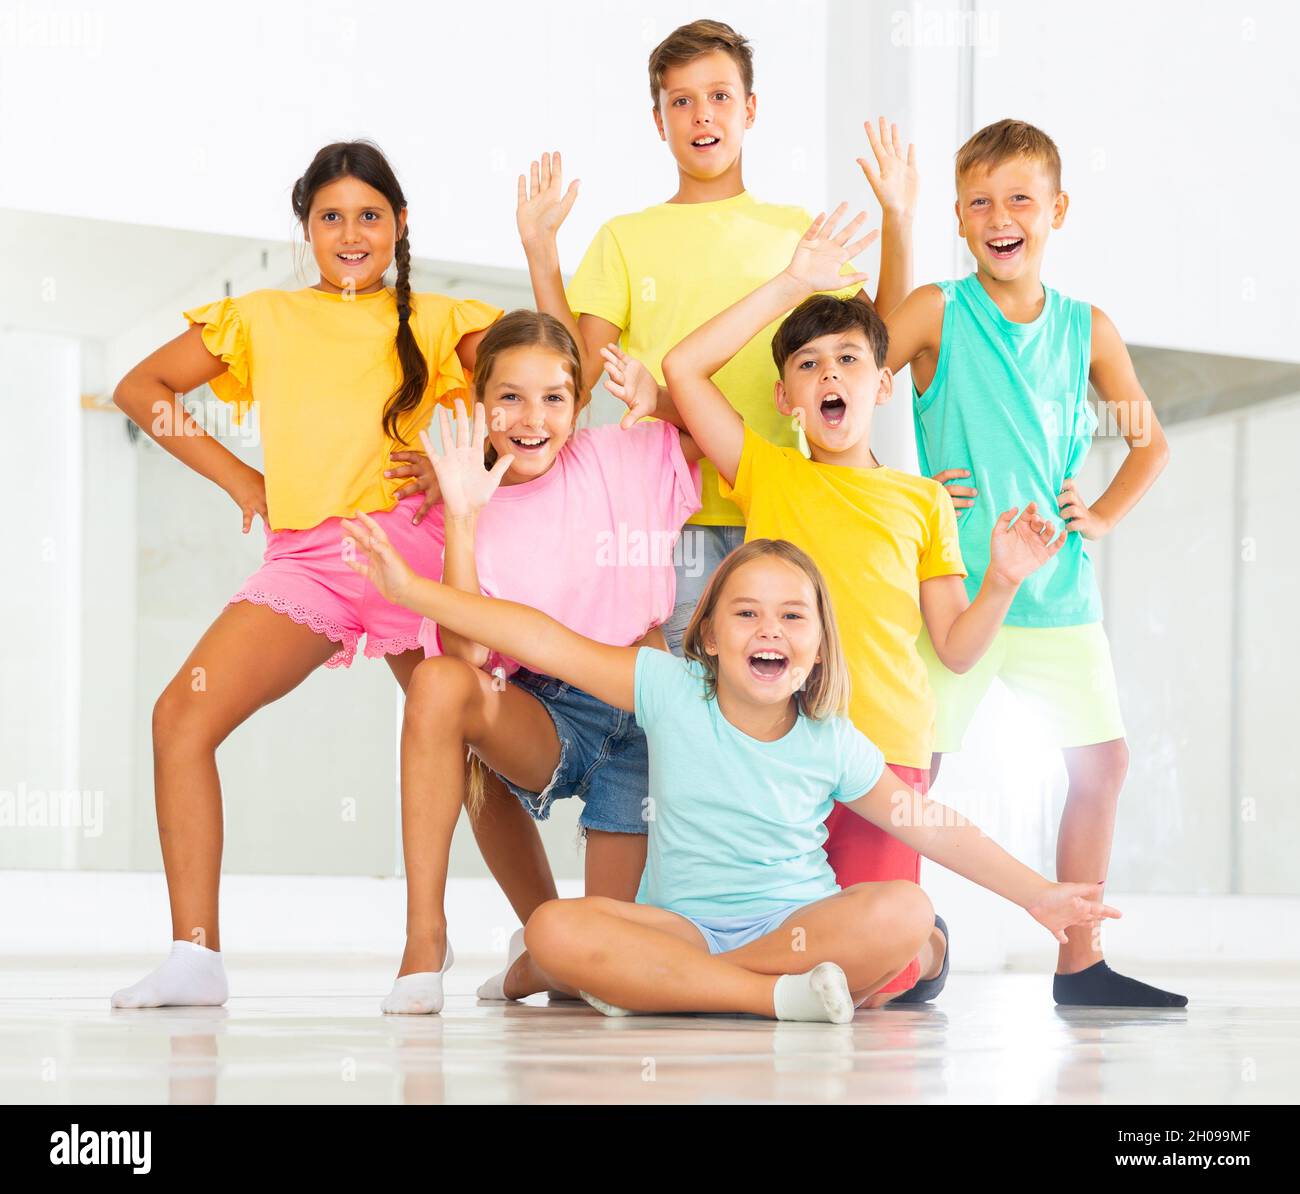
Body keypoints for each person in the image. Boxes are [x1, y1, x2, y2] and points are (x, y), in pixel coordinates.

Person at [108, 140, 500, 1009]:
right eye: (331, 217)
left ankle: (505, 939)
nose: (351, 233)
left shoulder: (441, 318)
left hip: (413, 552)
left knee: (469, 745)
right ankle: (195, 957)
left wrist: (455, 469)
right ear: (306, 230)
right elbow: (143, 387)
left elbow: (540, 388)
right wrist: (241, 479)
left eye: (370, 215)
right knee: (181, 715)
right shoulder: (260, 317)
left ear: (399, 225)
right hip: (308, 561)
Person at [885, 119, 1183, 1007]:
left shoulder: (1088, 328)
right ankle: (889, 947)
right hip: (957, 588)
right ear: (958, 217)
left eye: (1020, 198)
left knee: (1104, 766)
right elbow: (849, 384)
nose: (1000, 215)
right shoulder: (938, 309)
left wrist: (1099, 515)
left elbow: (1149, 444)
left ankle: (1081, 963)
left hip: (1056, 593)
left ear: (1057, 210)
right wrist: (909, 489)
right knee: (908, 776)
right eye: (979, 201)